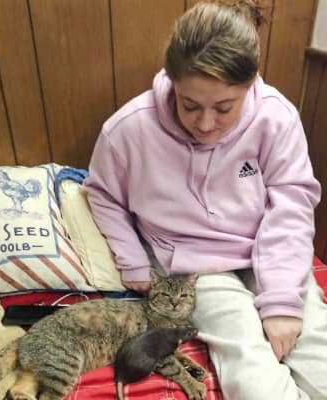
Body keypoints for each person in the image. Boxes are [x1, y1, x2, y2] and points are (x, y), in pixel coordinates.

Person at [83, 1, 327, 399]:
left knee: (320, 360)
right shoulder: (128, 129)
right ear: (172, 82)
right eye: (190, 105)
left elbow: (292, 207)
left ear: (250, 84)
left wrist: (282, 302)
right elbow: (102, 194)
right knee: (254, 379)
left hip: (270, 249)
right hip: (195, 269)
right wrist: (132, 259)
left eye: (224, 108)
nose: (206, 124)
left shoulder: (277, 117)